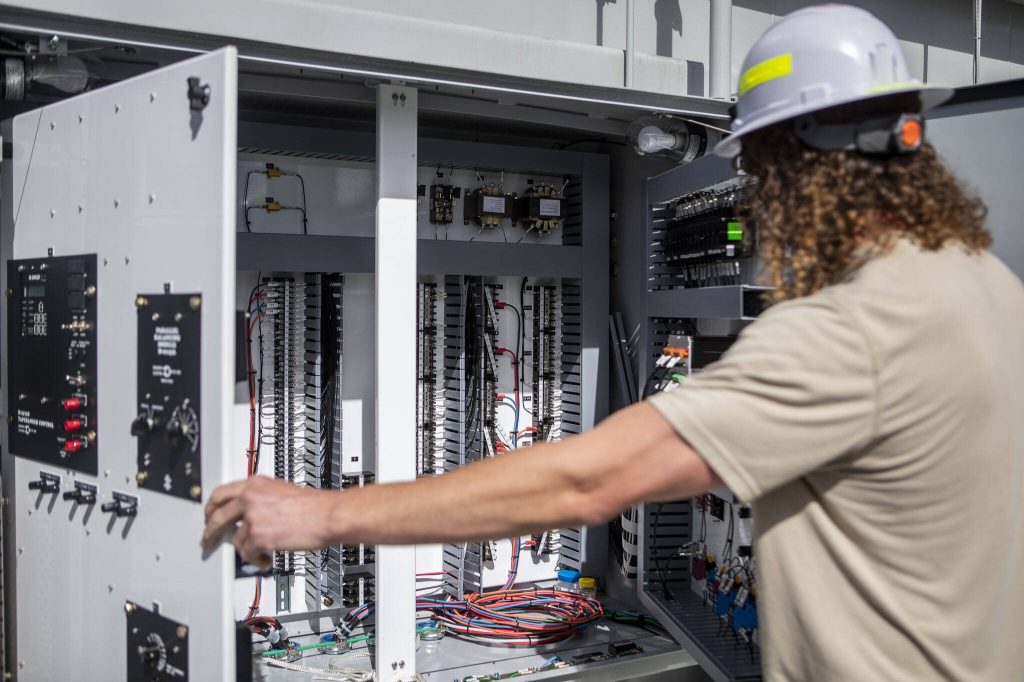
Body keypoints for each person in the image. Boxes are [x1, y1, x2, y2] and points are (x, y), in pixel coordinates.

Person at [203, 5, 1024, 680]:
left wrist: (325, 514)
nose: (764, 207)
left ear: (802, 168)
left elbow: (588, 479)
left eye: (764, 179)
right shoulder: (989, 289)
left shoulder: (853, 330)